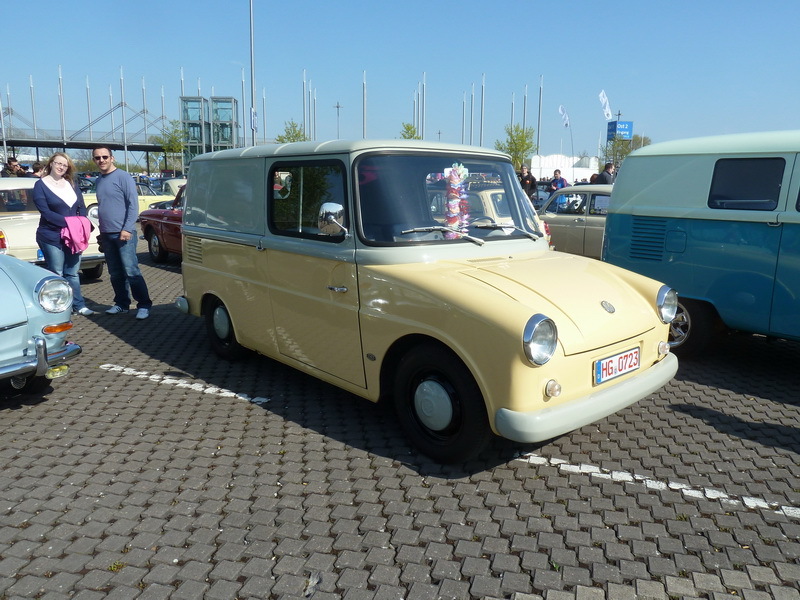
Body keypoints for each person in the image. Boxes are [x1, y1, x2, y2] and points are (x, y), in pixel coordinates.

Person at [31, 153, 95, 316]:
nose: (61, 167)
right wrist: (70, 223)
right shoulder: (40, 185)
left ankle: (78, 305)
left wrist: (79, 223)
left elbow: (81, 207)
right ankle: (60, 308)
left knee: (72, 273)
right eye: (58, 163)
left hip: (74, 236)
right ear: (51, 163)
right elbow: (46, 212)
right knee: (57, 273)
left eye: (64, 165)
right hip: (51, 235)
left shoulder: (71, 184)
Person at [93, 146, 153, 320]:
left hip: (123, 232)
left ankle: (144, 305)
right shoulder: (99, 180)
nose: (101, 160)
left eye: (105, 157)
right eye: (97, 158)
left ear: (112, 158)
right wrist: (101, 230)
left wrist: (127, 228)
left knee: (131, 270)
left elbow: (133, 204)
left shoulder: (123, 177)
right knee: (115, 273)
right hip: (107, 233)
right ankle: (122, 304)